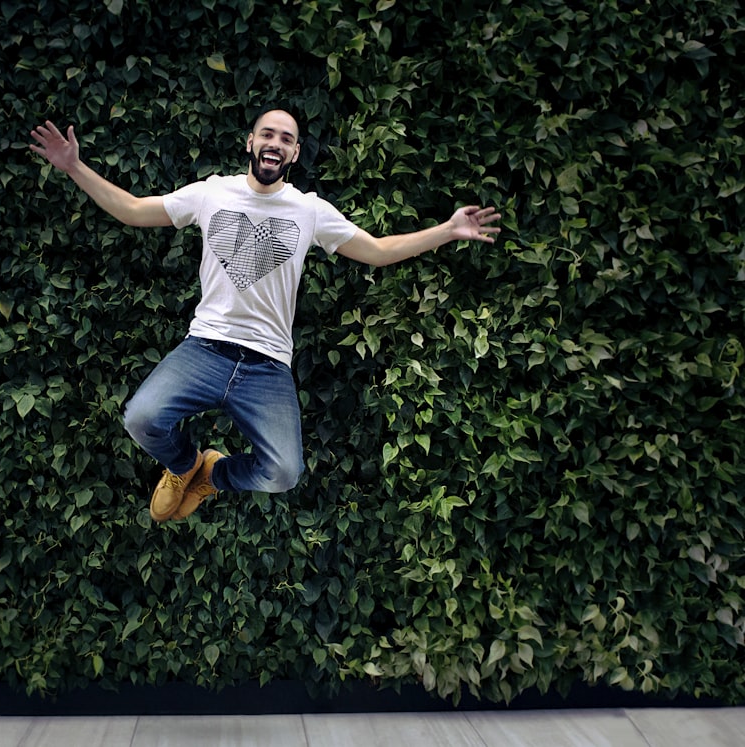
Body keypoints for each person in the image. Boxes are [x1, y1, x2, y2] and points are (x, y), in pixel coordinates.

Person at [29, 109, 500, 523]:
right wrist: (74, 167)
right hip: (205, 349)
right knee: (141, 418)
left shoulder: (310, 210)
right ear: (251, 143)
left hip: (267, 365)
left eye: (287, 138)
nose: (275, 143)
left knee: (283, 472)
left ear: (293, 155)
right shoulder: (211, 194)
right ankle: (182, 464)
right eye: (267, 134)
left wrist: (448, 229)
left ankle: (212, 474)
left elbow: (377, 250)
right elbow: (133, 210)